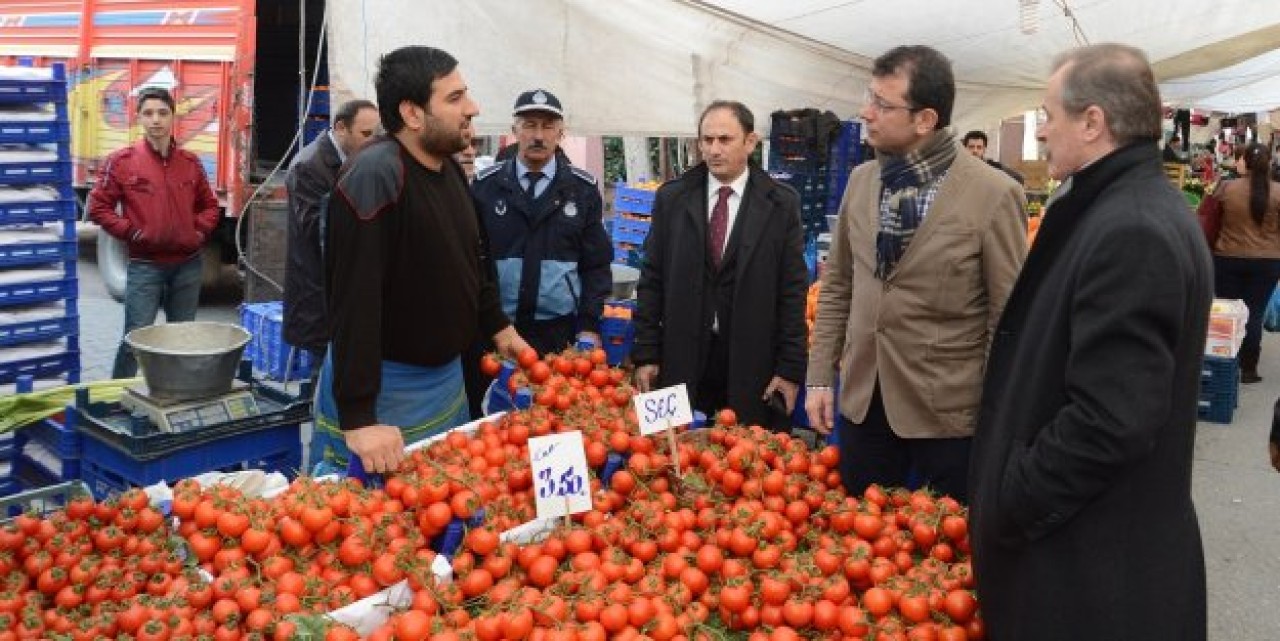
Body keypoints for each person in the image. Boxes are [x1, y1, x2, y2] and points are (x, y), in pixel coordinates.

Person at [968, 44, 1211, 641]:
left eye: (1049, 115)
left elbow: (1112, 419)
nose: (1043, 131)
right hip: (1095, 552)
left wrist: (1012, 498)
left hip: (1090, 572)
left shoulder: (1130, 227)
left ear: (1093, 121)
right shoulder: (1119, 205)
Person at [805, 46, 1026, 502]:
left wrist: (996, 415)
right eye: (870, 97)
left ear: (925, 119)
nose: (866, 112)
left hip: (947, 417)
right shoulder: (863, 180)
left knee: (947, 556)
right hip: (865, 404)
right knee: (862, 546)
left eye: (883, 105)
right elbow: (839, 285)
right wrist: (820, 376)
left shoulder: (994, 194)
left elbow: (1006, 319)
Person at [314, 46, 530, 474]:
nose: (472, 109)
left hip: (444, 381)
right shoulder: (374, 176)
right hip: (387, 393)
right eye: (454, 99)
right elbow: (353, 301)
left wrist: (498, 326)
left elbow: (468, 259)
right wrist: (359, 419)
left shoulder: (446, 168)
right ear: (412, 114)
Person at [633, 100, 808, 429]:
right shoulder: (672, 198)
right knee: (668, 459)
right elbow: (651, 279)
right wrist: (646, 353)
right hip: (680, 357)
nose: (714, 149)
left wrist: (789, 368)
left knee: (742, 463)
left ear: (751, 142)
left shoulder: (781, 204)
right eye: (707, 140)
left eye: (725, 140)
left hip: (752, 360)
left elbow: (792, 291)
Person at [88, 86, 220, 379]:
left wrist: (196, 233)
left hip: (187, 265)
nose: (155, 120)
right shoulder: (121, 162)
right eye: (148, 113)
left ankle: (175, 395)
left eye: (162, 113)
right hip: (145, 266)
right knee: (135, 340)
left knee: (181, 339)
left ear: (173, 118)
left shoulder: (190, 163)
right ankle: (116, 399)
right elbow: (98, 207)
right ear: (138, 119)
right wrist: (132, 233)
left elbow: (210, 207)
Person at [471, 89, 611, 354]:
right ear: (514, 129)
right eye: (529, 125)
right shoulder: (485, 187)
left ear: (561, 133)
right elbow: (472, 262)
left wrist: (589, 325)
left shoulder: (583, 190)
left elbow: (596, 265)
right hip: (497, 330)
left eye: (548, 126)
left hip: (559, 335)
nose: (538, 136)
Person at [283, 99, 380, 370]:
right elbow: (317, 231)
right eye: (366, 135)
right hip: (318, 297)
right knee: (323, 378)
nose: (373, 143)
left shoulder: (355, 161)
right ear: (340, 128)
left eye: (376, 135)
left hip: (343, 296)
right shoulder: (309, 166)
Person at [1205, 142, 1280, 384]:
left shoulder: (1226, 188)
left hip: (1227, 258)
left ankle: (1227, 361)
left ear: (1244, 162)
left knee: (1228, 312)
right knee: (1254, 313)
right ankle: (1249, 369)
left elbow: (1208, 224)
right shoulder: (1278, 192)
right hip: (1267, 262)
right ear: (1269, 164)